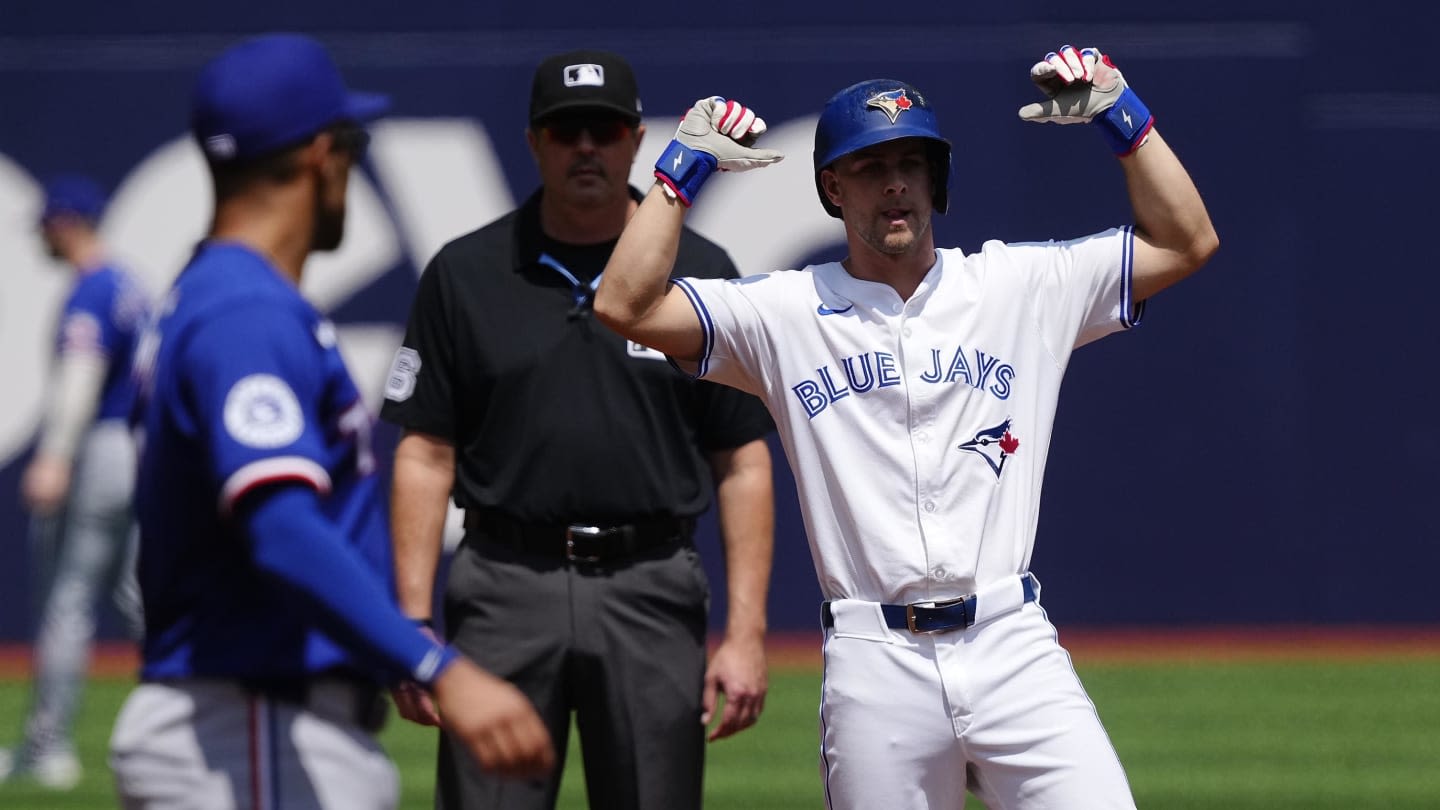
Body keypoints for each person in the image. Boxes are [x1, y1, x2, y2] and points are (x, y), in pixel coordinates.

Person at [594, 45, 1219, 809]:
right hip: (875, 657)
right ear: (831, 186)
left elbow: (1187, 242)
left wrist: (1128, 121)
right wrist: (676, 176)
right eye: (868, 165)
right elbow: (623, 305)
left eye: (912, 162)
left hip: (1010, 640)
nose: (894, 181)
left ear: (936, 180)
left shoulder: (1019, 286)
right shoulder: (781, 312)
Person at [107, 32, 554, 809]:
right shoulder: (244, 309)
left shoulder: (213, 296)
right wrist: (434, 665)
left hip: (254, 721)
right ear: (323, 154)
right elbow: (278, 524)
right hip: (252, 722)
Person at [380, 48, 776, 810]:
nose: (586, 147)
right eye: (566, 132)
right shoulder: (467, 272)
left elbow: (742, 460)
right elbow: (425, 453)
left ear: (635, 137)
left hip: (649, 584)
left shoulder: (701, 268)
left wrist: (747, 631)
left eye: (602, 129)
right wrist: (411, 621)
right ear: (534, 142)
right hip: (503, 585)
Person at [0, 175, 148, 790]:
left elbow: (81, 379)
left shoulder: (92, 290)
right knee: (139, 599)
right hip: (138, 449)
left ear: (66, 223)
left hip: (100, 448)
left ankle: (47, 746)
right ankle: (204, 706)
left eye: (44, 226)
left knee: (68, 598)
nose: (40, 238)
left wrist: (55, 457)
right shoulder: (128, 283)